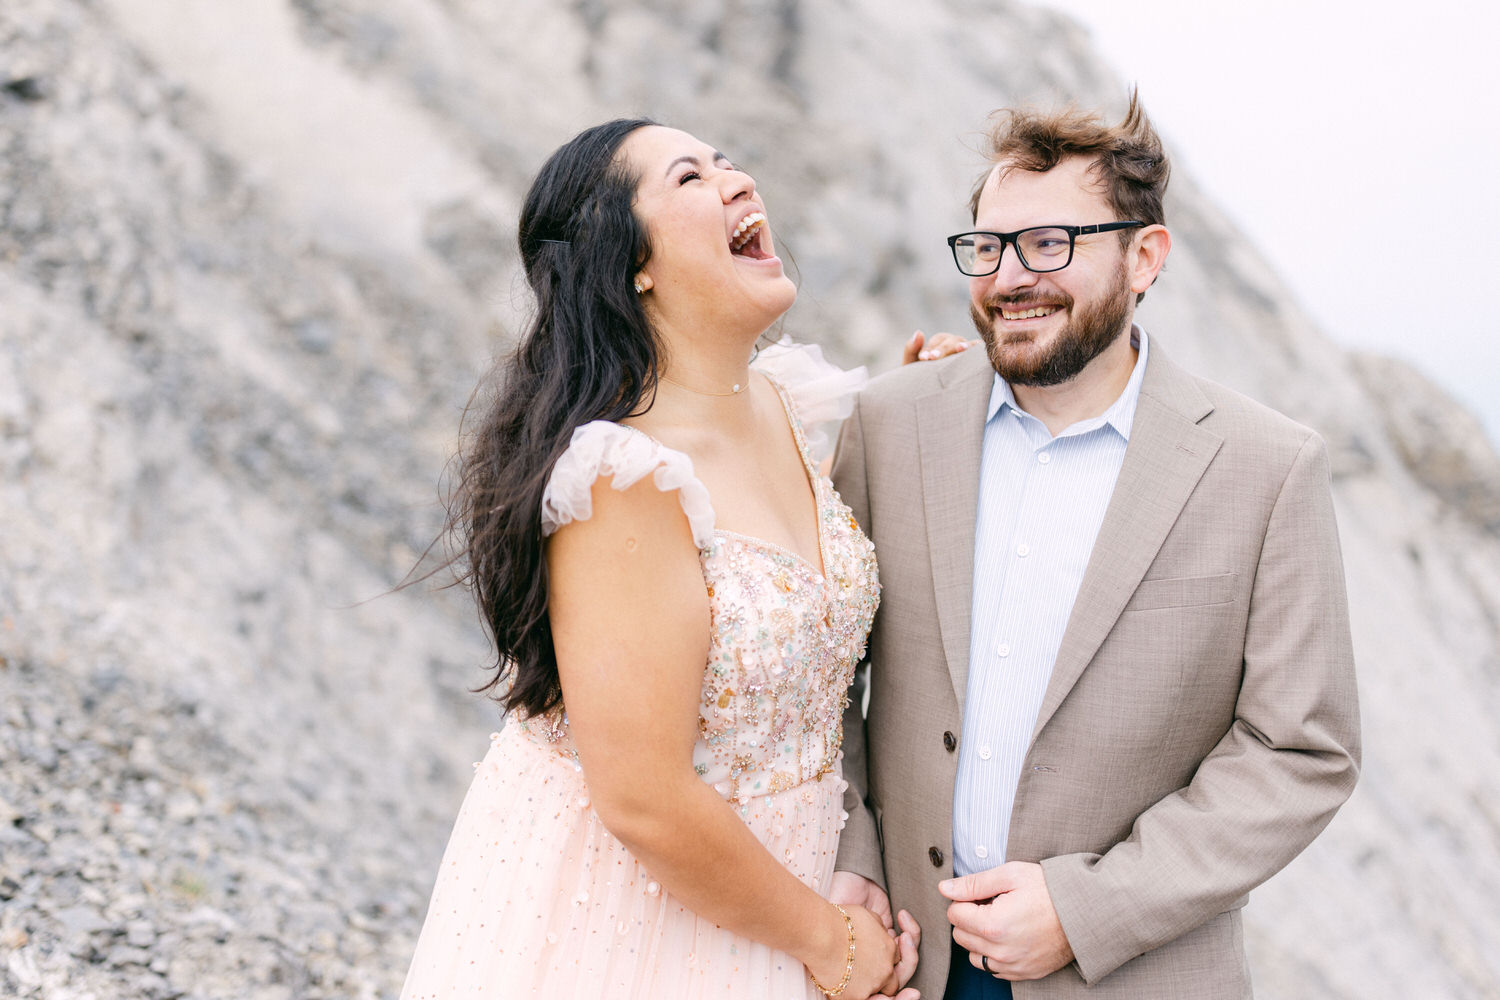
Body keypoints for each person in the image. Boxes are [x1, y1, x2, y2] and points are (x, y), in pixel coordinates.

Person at [829, 94, 1361, 998]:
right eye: (988, 246)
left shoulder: (1266, 467)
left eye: (1049, 243)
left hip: (1129, 972)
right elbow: (825, 673)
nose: (1008, 276)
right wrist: (854, 857)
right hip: (900, 960)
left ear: (1144, 256)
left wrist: (1088, 909)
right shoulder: (888, 423)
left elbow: (1300, 751)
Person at [399, 119, 923, 1000]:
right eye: (690, 178)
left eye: (728, 161)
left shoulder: (779, 403)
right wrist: (834, 947)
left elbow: (795, 582)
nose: (738, 180)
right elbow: (642, 796)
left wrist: (928, 412)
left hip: (771, 895)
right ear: (629, 260)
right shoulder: (622, 478)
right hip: (633, 923)